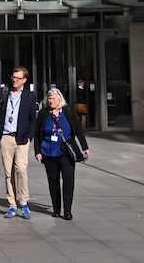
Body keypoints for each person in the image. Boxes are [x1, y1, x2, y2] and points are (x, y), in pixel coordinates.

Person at [33, 87, 89, 221]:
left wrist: (85, 147)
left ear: (60, 99)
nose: (51, 101)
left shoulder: (68, 112)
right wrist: (38, 151)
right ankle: (56, 209)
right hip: (48, 152)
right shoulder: (43, 113)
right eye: (49, 98)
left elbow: (78, 130)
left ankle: (67, 210)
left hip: (66, 152)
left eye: (53, 98)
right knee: (53, 182)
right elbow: (36, 135)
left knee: (68, 181)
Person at [0, 66, 38, 219]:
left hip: (22, 138)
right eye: (13, 77)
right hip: (6, 137)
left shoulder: (30, 96)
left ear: (24, 80)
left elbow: (33, 119)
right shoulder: (4, 94)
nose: (14, 80)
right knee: (8, 172)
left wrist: (29, 136)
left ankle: (23, 202)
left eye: (17, 78)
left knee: (21, 169)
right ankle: (12, 204)